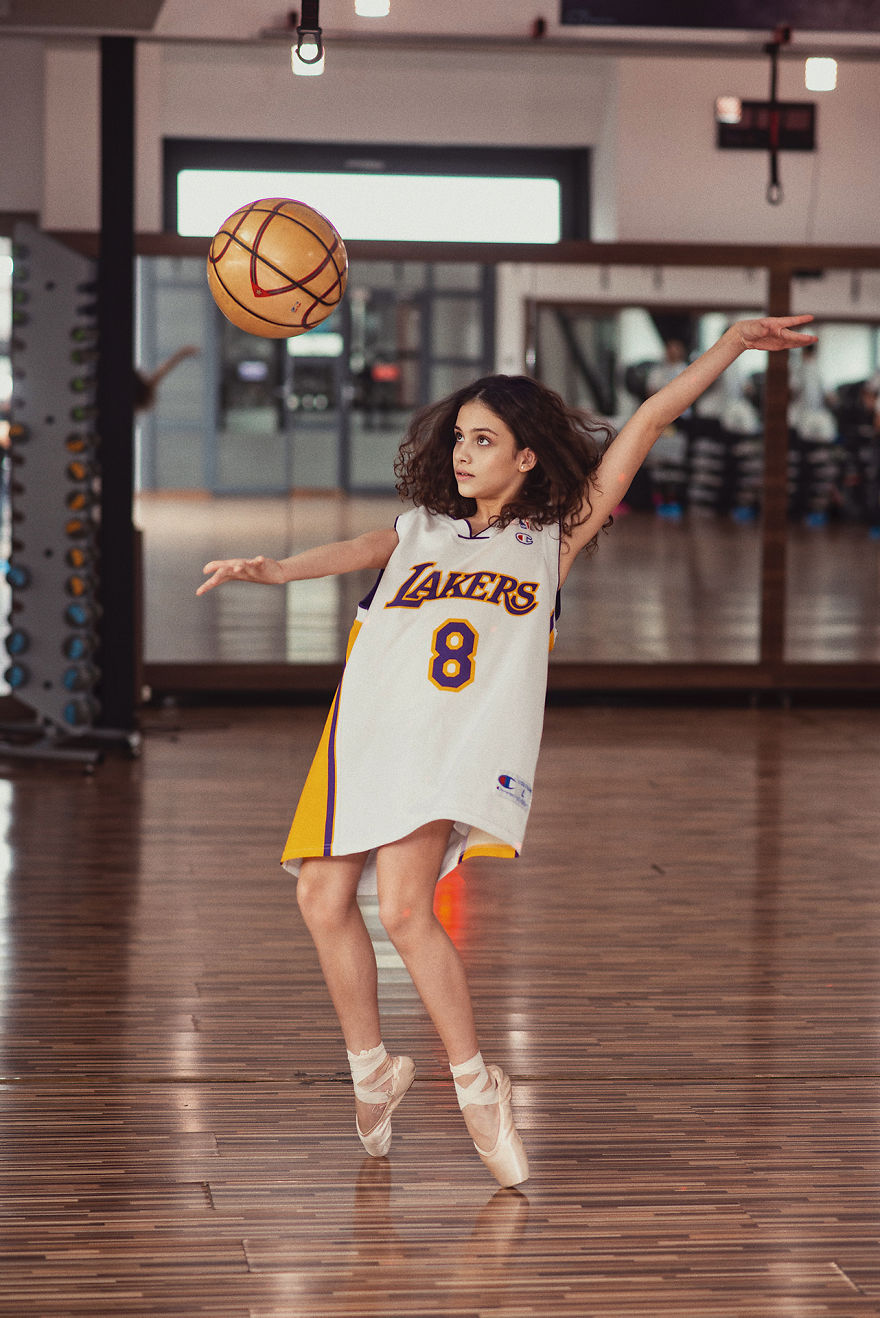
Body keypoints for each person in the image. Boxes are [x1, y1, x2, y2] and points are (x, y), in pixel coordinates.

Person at [196, 314, 816, 1189]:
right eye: (458, 438)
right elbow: (354, 550)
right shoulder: (420, 531)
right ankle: (373, 1067)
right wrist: (275, 568)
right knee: (319, 894)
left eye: (484, 440)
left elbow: (646, 422)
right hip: (365, 733)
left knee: (408, 913)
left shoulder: (555, 539)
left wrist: (729, 348)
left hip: (450, 747)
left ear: (527, 457)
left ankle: (475, 1084)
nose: (463, 453)